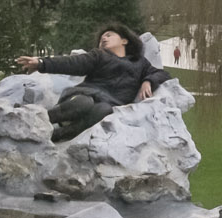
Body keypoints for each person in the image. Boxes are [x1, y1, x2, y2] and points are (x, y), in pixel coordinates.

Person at [16, 24, 170, 142]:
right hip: (83, 96)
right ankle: (39, 120)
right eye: (102, 37)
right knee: (84, 103)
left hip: (109, 103)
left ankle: (57, 136)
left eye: (109, 35)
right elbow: (72, 63)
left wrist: (148, 82)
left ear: (124, 40)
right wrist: (42, 63)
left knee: (104, 110)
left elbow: (161, 73)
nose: (104, 38)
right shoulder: (99, 56)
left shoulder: (140, 63)